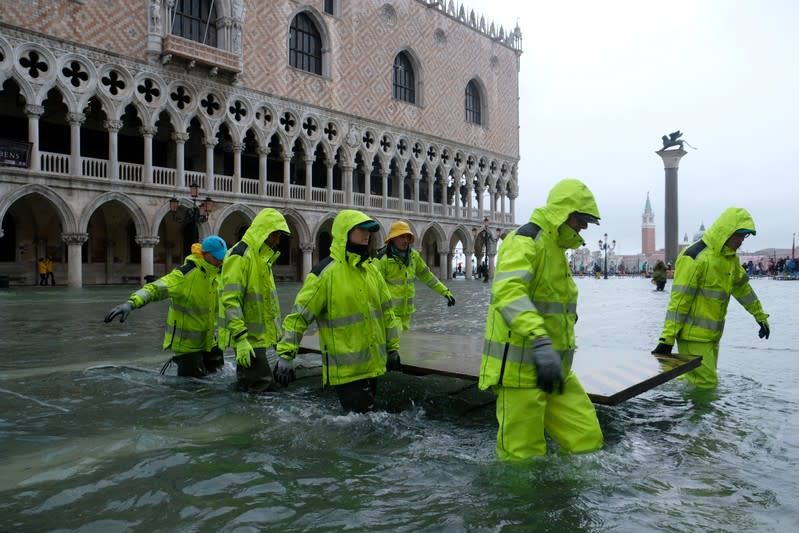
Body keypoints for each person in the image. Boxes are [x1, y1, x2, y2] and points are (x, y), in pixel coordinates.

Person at [478, 178, 604, 460]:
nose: (583, 226)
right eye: (580, 219)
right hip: (520, 371)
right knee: (522, 456)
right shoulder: (525, 241)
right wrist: (540, 339)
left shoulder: (556, 249)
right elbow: (508, 292)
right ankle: (521, 502)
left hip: (555, 370)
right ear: (563, 212)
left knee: (587, 438)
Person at [275, 209, 400, 413]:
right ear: (346, 231)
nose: (367, 235)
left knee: (368, 421)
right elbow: (299, 316)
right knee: (363, 424)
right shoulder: (324, 274)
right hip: (347, 369)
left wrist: (393, 348)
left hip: (374, 365)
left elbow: (387, 313)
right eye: (362, 230)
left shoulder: (372, 271)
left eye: (369, 231)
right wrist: (286, 355)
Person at [652, 207, 770, 389]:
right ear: (727, 231)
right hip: (693, 337)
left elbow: (743, 289)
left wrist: (760, 316)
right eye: (738, 235)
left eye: (744, 236)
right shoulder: (695, 257)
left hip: (712, 336)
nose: (740, 241)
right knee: (706, 386)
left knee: (694, 382)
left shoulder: (729, 258)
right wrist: (666, 339)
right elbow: (679, 302)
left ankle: (677, 409)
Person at [104, 235, 228, 377]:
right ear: (205, 254)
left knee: (219, 376)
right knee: (192, 388)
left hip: (211, 341)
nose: (221, 260)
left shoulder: (220, 274)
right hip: (187, 346)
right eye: (217, 257)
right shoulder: (184, 275)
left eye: (222, 256)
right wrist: (131, 304)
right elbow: (155, 289)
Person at [219, 207, 290, 393]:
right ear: (264, 231)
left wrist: (277, 338)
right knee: (261, 388)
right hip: (248, 339)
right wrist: (241, 339)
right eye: (275, 234)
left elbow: (269, 303)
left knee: (262, 387)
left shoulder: (263, 258)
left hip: (260, 338)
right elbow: (230, 300)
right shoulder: (240, 256)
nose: (277, 240)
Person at [374, 220, 455, 331]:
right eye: (402, 237)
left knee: (405, 344)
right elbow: (373, 285)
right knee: (396, 342)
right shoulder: (382, 258)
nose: (406, 240)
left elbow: (428, 277)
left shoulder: (414, 256)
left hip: (407, 312)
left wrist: (445, 292)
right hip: (388, 312)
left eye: (407, 237)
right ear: (393, 238)